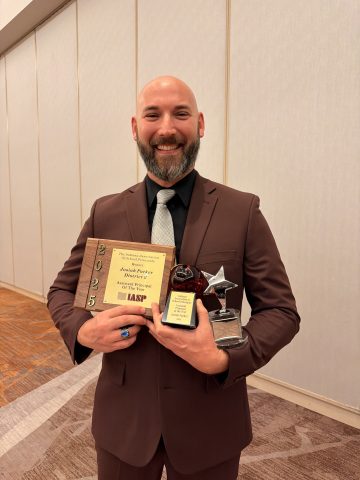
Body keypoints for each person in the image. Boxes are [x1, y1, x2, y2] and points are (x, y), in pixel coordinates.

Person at [47, 76, 300, 480]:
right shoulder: (106, 212)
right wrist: (82, 331)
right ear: (135, 127)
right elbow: (61, 289)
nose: (166, 128)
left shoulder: (242, 211)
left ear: (200, 124)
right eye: (153, 115)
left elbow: (281, 312)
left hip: (211, 423)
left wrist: (224, 357)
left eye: (180, 113)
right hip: (122, 425)